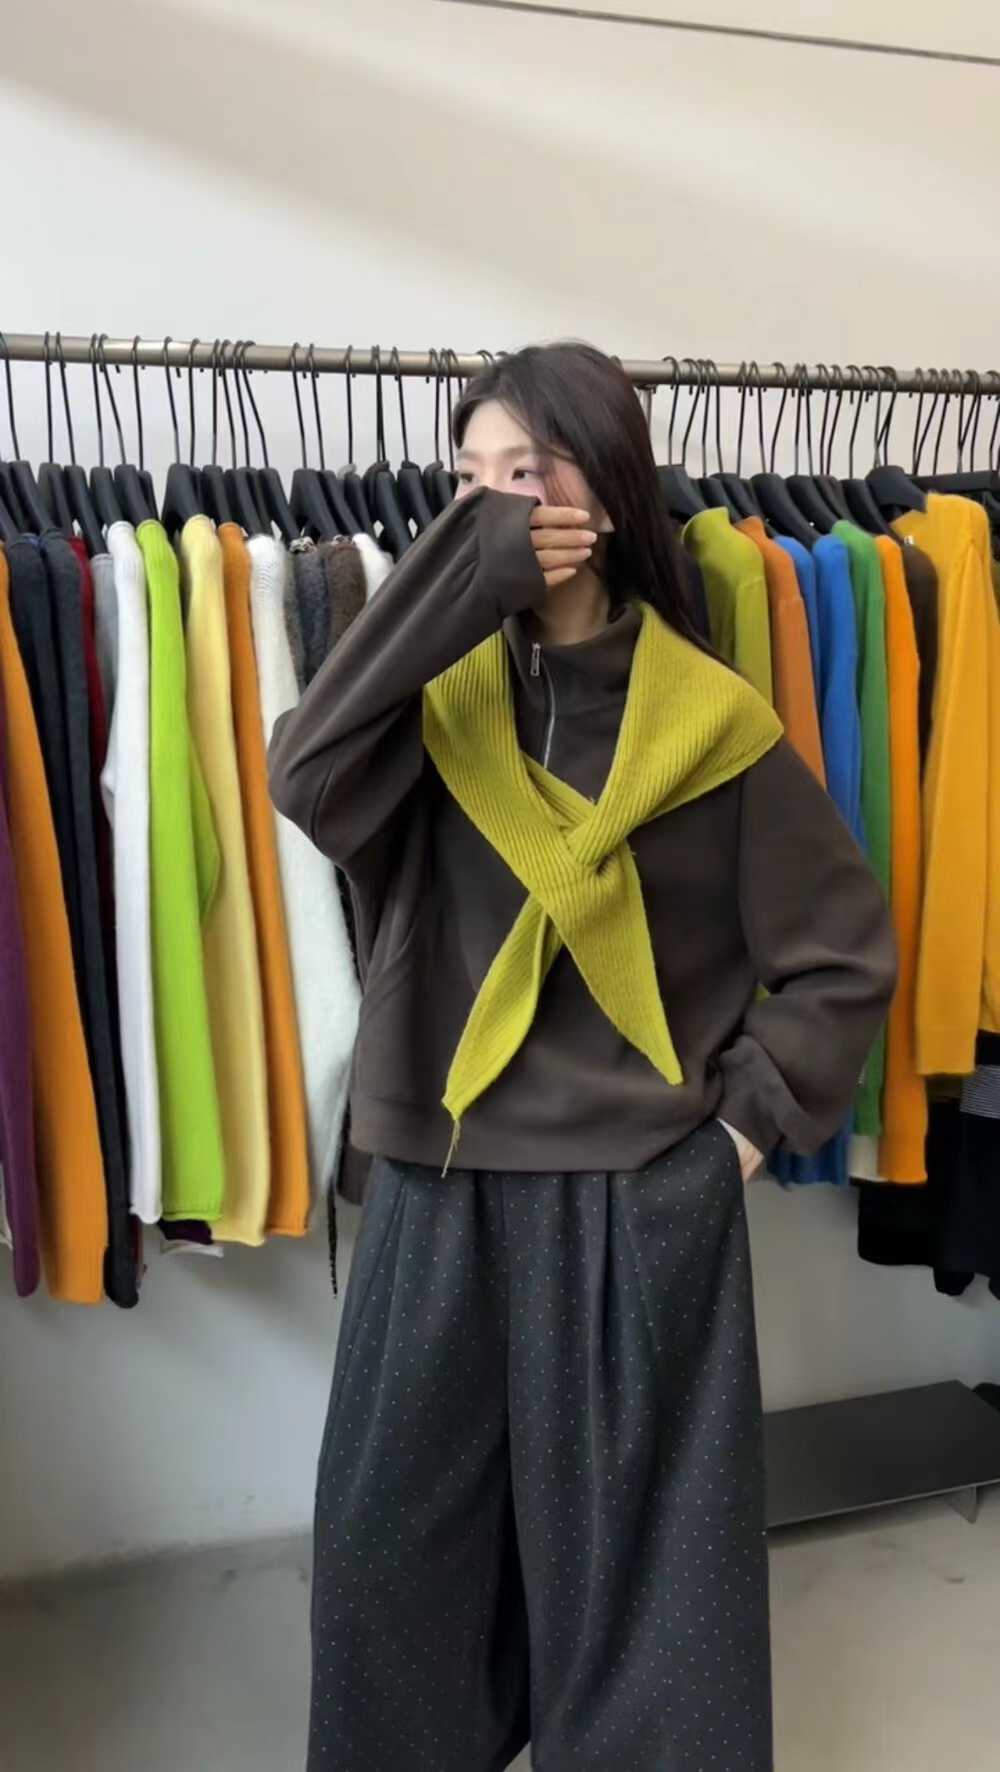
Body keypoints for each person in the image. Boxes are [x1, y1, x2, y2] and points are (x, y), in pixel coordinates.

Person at [269, 342, 895, 1772]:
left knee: (643, 1592)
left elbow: (842, 956)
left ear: (600, 499)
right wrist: (457, 583)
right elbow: (304, 774)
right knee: (394, 1574)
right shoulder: (425, 708)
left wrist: (732, 1139)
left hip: (635, 1199)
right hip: (436, 1189)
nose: (489, 505)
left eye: (524, 476)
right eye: (466, 482)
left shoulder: (713, 726)